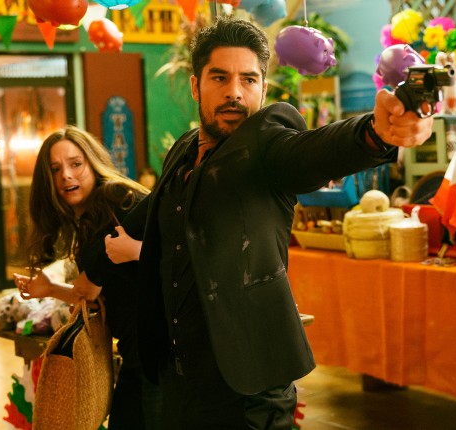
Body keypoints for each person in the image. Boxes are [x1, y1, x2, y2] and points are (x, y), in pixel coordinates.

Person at [109, 17, 433, 428]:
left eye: (248, 79)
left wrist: (376, 133)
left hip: (249, 389)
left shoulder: (268, 147)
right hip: (178, 381)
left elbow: (318, 150)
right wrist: (92, 269)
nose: (234, 92)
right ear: (195, 86)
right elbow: (151, 220)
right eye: (220, 78)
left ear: (263, 89)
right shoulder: (183, 149)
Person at [12, 125, 159, 429]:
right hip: (140, 354)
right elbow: (93, 291)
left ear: (92, 163)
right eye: (55, 169)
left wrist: (136, 251)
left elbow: (179, 248)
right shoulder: (90, 216)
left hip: (160, 357)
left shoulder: (118, 198)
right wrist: (49, 288)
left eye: (76, 164)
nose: (66, 175)